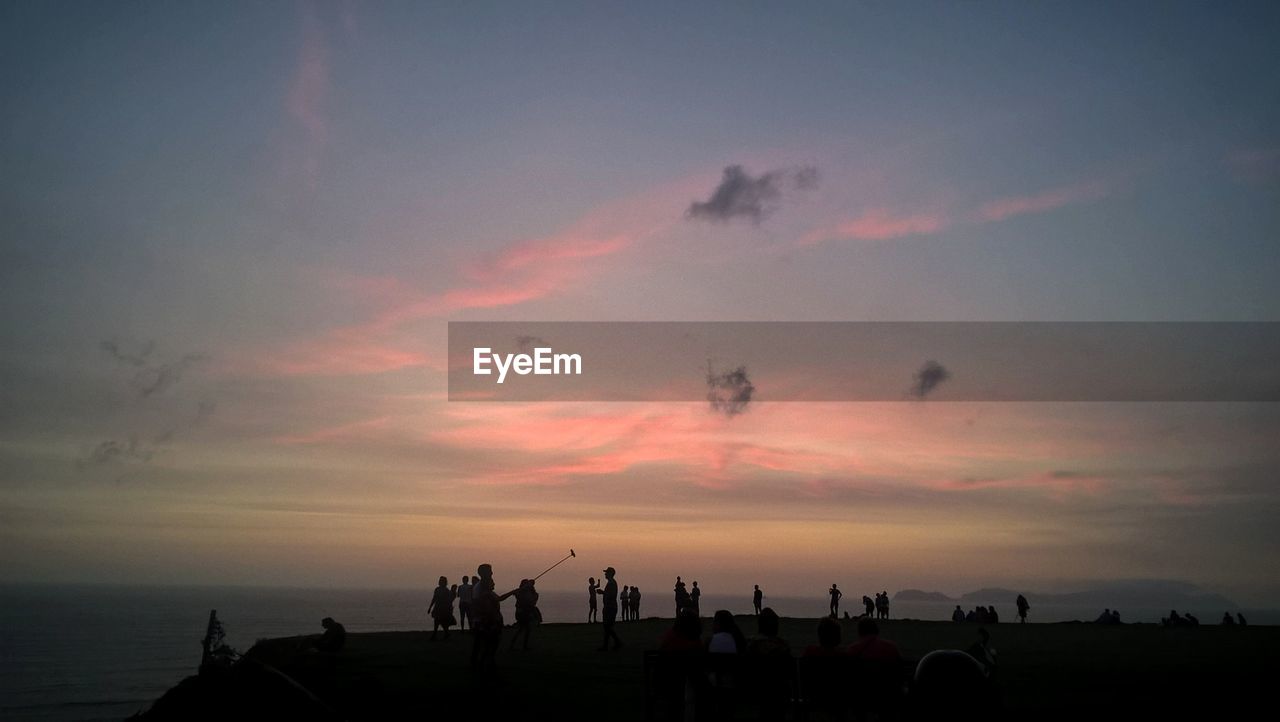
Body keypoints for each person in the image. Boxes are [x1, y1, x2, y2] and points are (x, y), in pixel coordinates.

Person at [470, 563, 513, 677]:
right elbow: (494, 601)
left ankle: (483, 666)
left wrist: (513, 592)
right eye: (490, 572)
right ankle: (484, 668)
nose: (492, 574)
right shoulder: (482, 588)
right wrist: (513, 592)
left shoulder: (481, 587)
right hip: (486, 621)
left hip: (482, 620)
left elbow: (496, 599)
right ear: (484, 573)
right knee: (490, 645)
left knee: (482, 645)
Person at [596, 566, 624, 651]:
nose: (605, 574)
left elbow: (611, 595)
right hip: (609, 606)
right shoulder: (611, 583)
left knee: (607, 626)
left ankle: (616, 642)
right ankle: (607, 645)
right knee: (607, 627)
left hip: (610, 607)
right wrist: (603, 593)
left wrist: (602, 592)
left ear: (610, 574)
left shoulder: (612, 583)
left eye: (606, 572)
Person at [508, 578, 540, 651]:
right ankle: (513, 645)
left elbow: (533, 601)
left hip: (526, 613)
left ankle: (522, 646)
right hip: (521, 613)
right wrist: (528, 585)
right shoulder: (520, 592)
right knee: (521, 629)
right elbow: (520, 595)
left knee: (526, 629)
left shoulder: (531, 593)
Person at [428, 576, 457, 641]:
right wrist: (430, 607)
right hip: (438, 607)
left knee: (440, 621)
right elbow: (434, 599)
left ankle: (437, 635)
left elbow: (448, 601)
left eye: (441, 581)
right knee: (438, 621)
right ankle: (444, 634)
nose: (440, 582)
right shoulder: (437, 589)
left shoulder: (446, 591)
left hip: (442, 608)